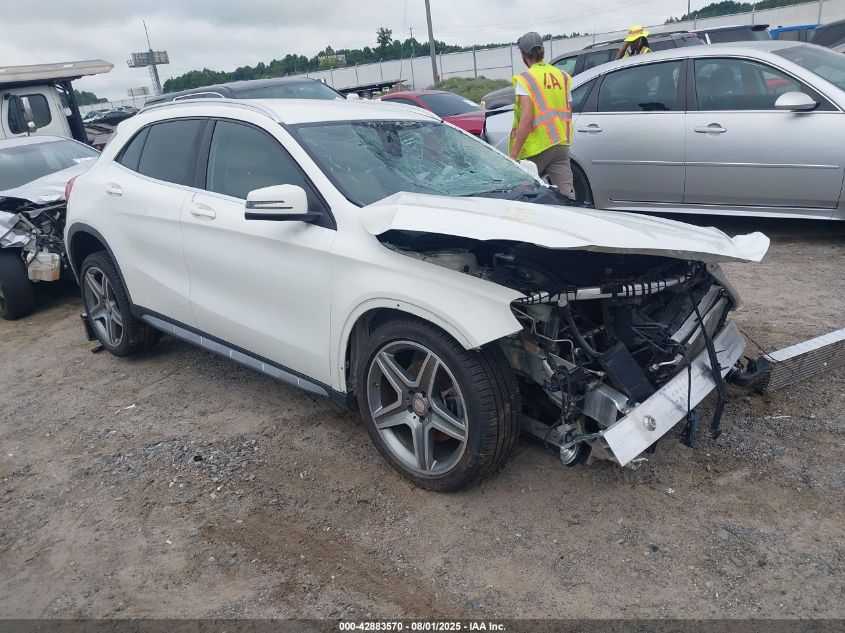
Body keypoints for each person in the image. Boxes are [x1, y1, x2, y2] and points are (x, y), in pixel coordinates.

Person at [508, 31, 575, 201]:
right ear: (542, 51)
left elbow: (526, 119)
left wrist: (514, 155)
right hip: (561, 143)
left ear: (524, 55)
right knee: (567, 194)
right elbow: (568, 109)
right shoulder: (563, 76)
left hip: (537, 147)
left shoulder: (526, 79)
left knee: (522, 192)